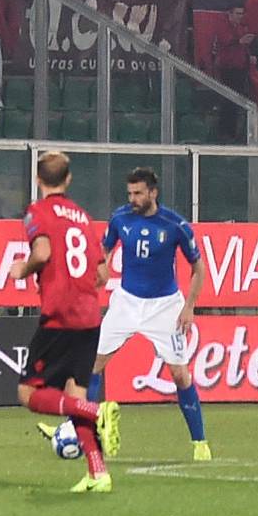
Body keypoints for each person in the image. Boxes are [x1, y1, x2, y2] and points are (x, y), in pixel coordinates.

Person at [11, 149, 114, 494]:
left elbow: (42, 253)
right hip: (89, 314)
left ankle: (89, 409)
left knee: (28, 393)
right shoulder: (83, 217)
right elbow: (103, 272)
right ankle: (98, 472)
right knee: (75, 388)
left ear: (38, 179)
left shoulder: (36, 211)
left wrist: (21, 271)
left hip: (59, 315)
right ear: (68, 179)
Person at [92, 165, 211, 460]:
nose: (133, 198)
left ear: (153, 193)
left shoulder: (175, 225)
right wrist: (101, 268)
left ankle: (200, 443)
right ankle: (81, 430)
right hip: (127, 302)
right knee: (93, 363)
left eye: (138, 193)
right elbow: (102, 253)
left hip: (165, 307)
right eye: (130, 193)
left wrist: (189, 306)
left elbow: (198, 268)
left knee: (179, 374)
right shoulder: (120, 218)